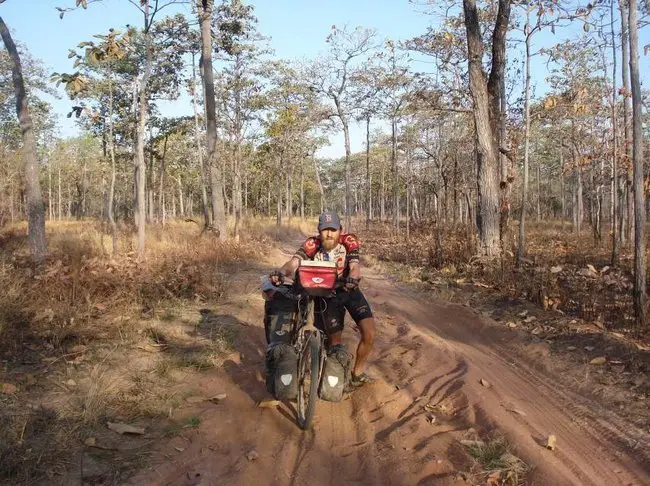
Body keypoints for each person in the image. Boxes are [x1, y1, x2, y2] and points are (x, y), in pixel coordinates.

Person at [269, 211, 376, 389]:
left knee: (369, 333)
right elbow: (294, 263)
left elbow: (355, 265)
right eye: (325, 230)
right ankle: (330, 378)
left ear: (340, 230)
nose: (329, 234)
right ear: (319, 231)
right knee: (334, 341)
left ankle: (357, 374)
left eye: (333, 230)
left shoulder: (349, 241)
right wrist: (281, 272)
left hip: (348, 288)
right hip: (326, 293)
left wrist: (354, 278)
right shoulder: (312, 244)